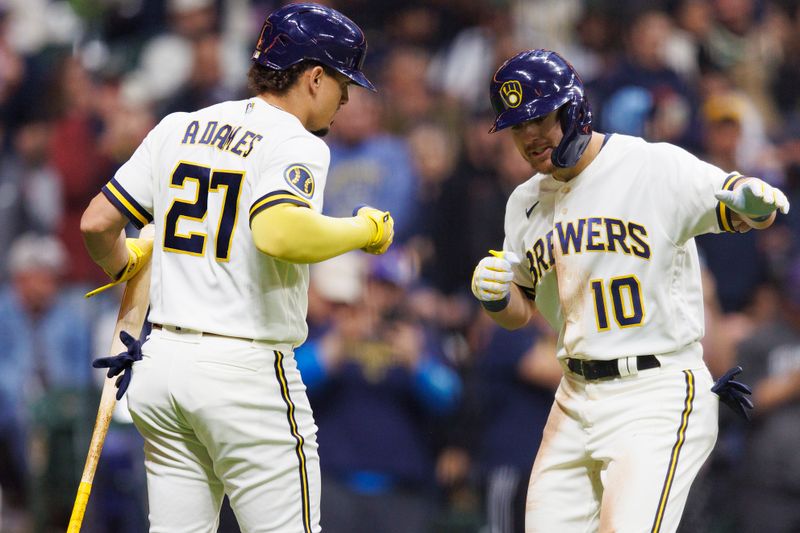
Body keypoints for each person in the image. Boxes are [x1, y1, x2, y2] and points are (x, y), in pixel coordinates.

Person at [79, 3, 394, 532]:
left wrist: (123, 264)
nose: (346, 97)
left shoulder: (179, 125)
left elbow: (96, 224)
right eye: (344, 82)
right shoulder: (296, 140)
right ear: (314, 77)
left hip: (162, 368)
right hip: (243, 370)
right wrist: (366, 229)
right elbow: (279, 231)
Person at [470, 49, 787, 533]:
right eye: (517, 126)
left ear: (573, 107)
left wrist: (755, 199)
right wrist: (496, 298)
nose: (530, 135)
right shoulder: (524, 203)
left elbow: (739, 203)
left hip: (654, 390)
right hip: (574, 395)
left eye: (540, 116)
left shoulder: (649, 164)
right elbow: (520, 309)